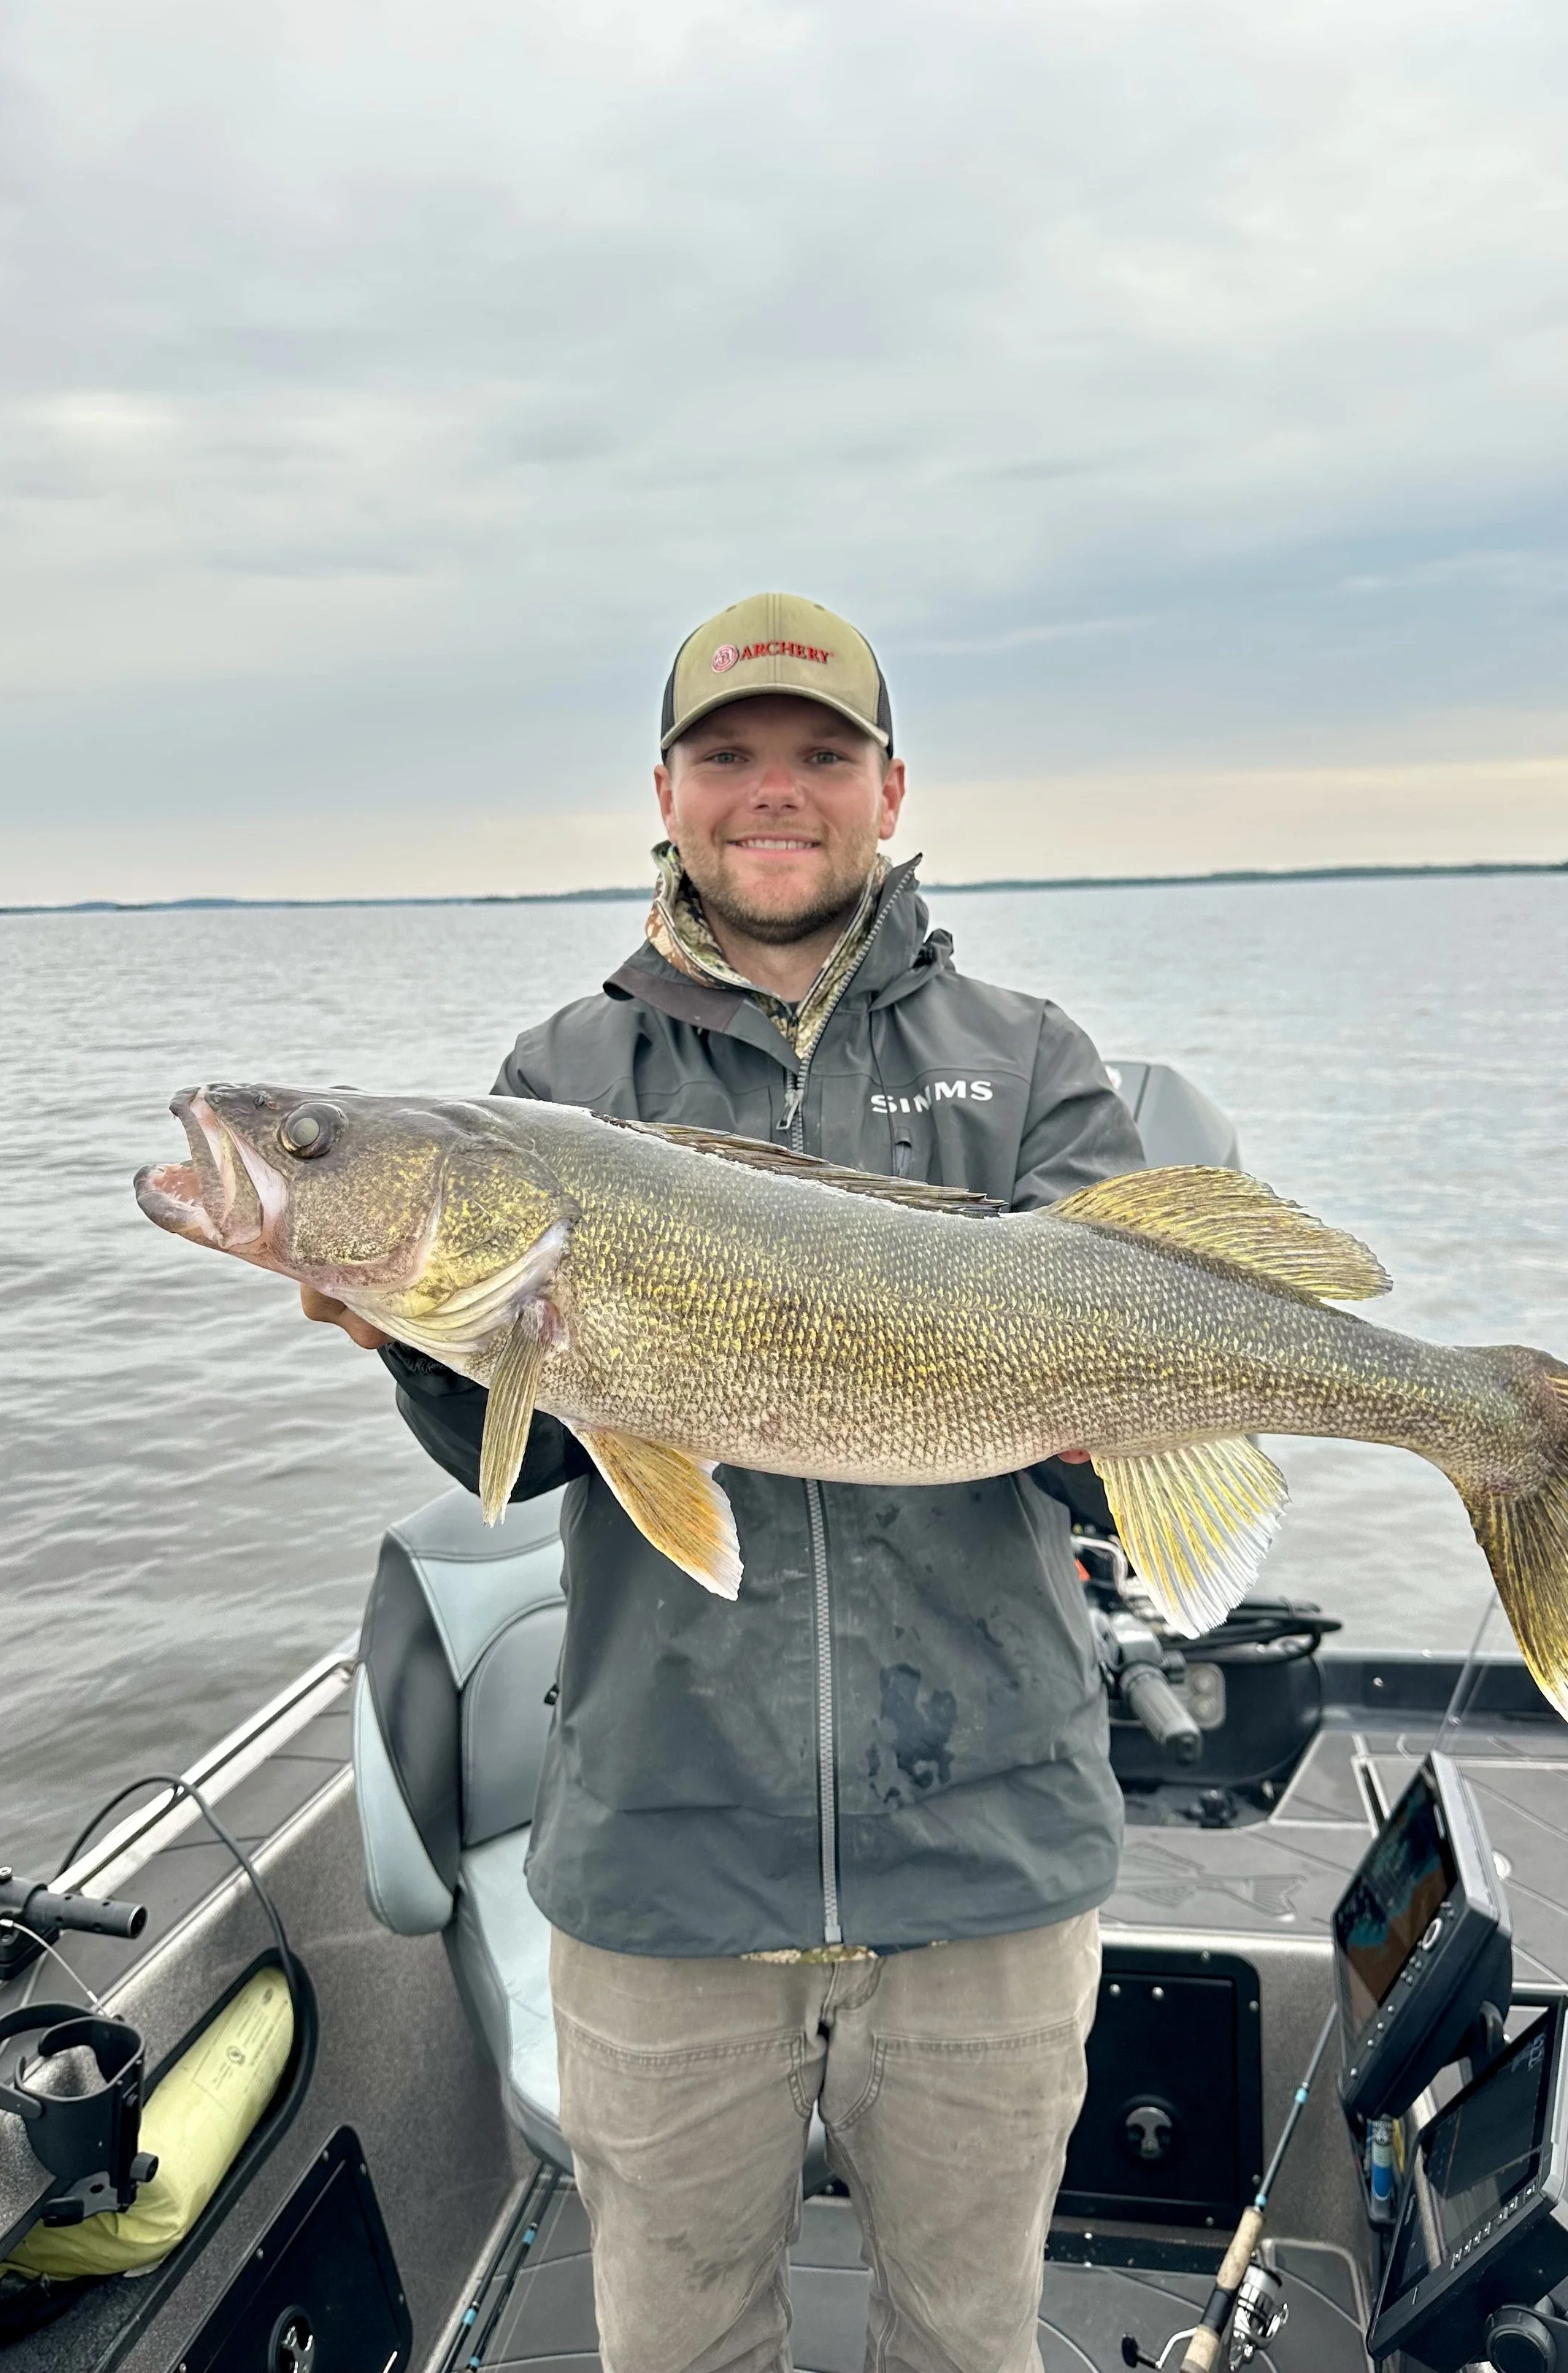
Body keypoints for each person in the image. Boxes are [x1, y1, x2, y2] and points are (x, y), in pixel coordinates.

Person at [306, 591, 1145, 2373]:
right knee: (675, 2346)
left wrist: (1111, 1442)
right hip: (665, 1868)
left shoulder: (1033, 1057)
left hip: (986, 1854)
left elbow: (1110, 1485)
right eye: (729, 757)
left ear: (890, 786)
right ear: (665, 794)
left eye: (819, 757)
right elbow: (515, 1476)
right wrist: (414, 1343)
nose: (776, 792)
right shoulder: (558, 1086)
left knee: (969, 2342)